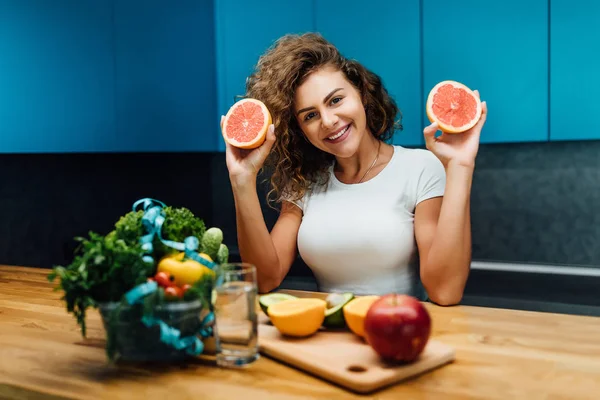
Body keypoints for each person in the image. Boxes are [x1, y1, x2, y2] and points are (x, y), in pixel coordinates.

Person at [220, 33, 487, 305]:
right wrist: (241, 180)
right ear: (300, 130)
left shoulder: (420, 168)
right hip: (328, 337)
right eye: (310, 115)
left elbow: (445, 291)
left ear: (361, 93)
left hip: (398, 334)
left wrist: (460, 167)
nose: (328, 121)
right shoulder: (305, 183)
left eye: (335, 100)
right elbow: (266, 278)